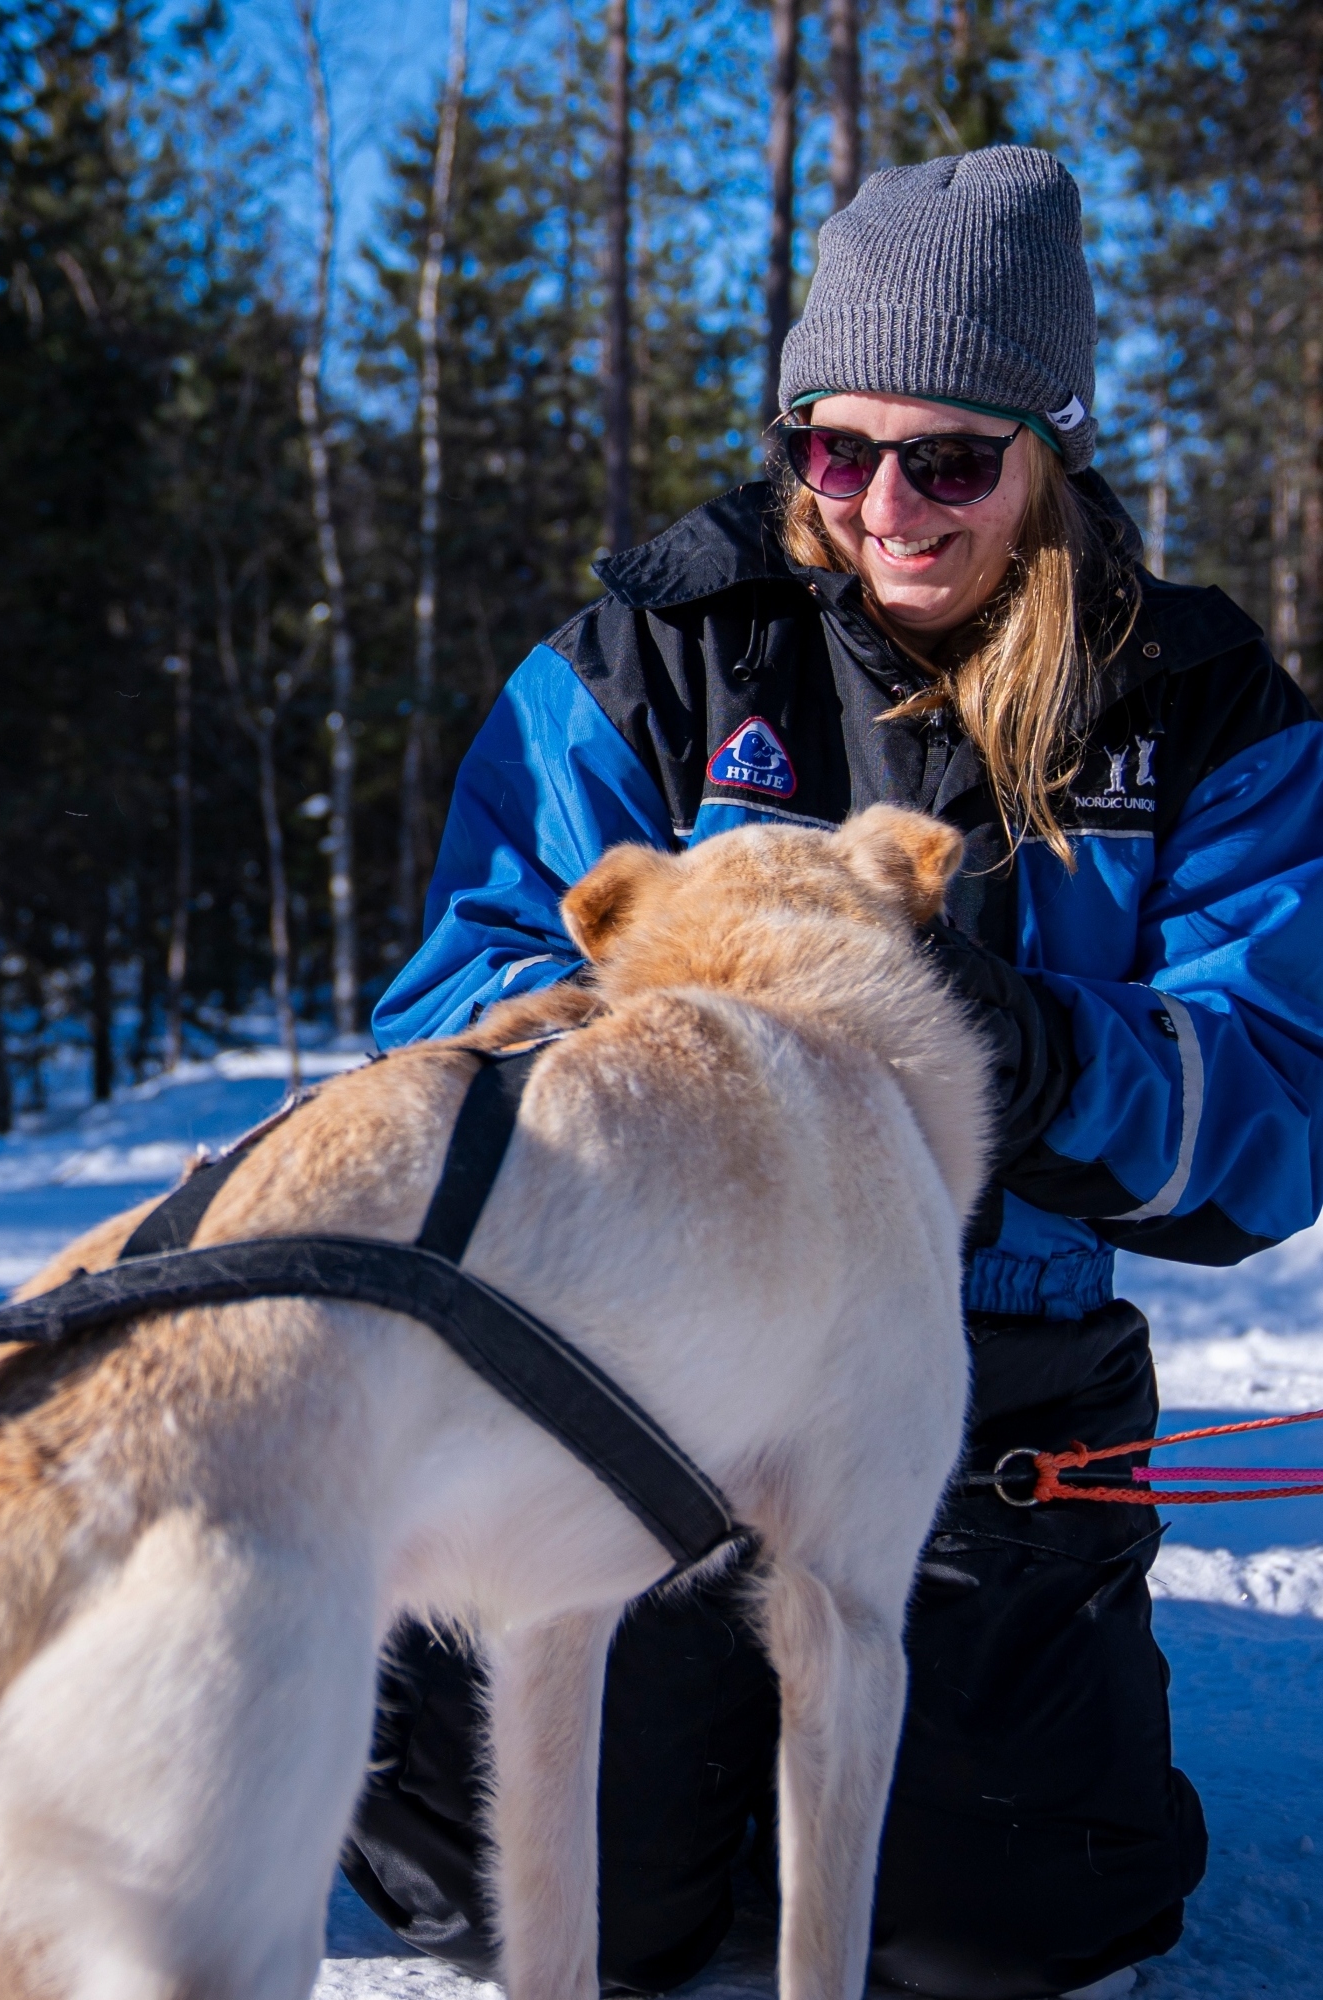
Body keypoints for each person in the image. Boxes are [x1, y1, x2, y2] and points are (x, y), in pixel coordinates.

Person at [350, 147, 1323, 1998]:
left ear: (1052, 444)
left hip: (988, 1389)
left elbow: (1274, 1101)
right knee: (552, 1902)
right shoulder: (655, 648)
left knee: (991, 1936)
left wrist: (1018, 1042)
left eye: (952, 457)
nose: (890, 503)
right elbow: (456, 996)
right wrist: (670, 1046)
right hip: (651, 1354)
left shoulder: (1192, 700)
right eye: (835, 448)